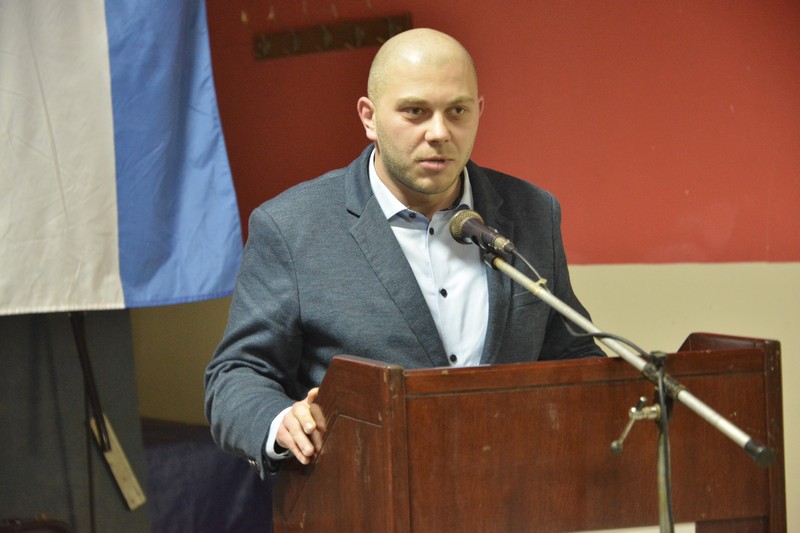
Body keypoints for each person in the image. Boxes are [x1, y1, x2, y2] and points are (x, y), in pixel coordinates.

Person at [204, 28, 604, 477]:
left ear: (479, 111)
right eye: (416, 111)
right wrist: (281, 422)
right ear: (369, 117)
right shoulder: (292, 227)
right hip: (364, 492)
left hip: (513, 492)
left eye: (457, 111)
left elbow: (573, 354)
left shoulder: (533, 212)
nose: (439, 133)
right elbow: (236, 375)